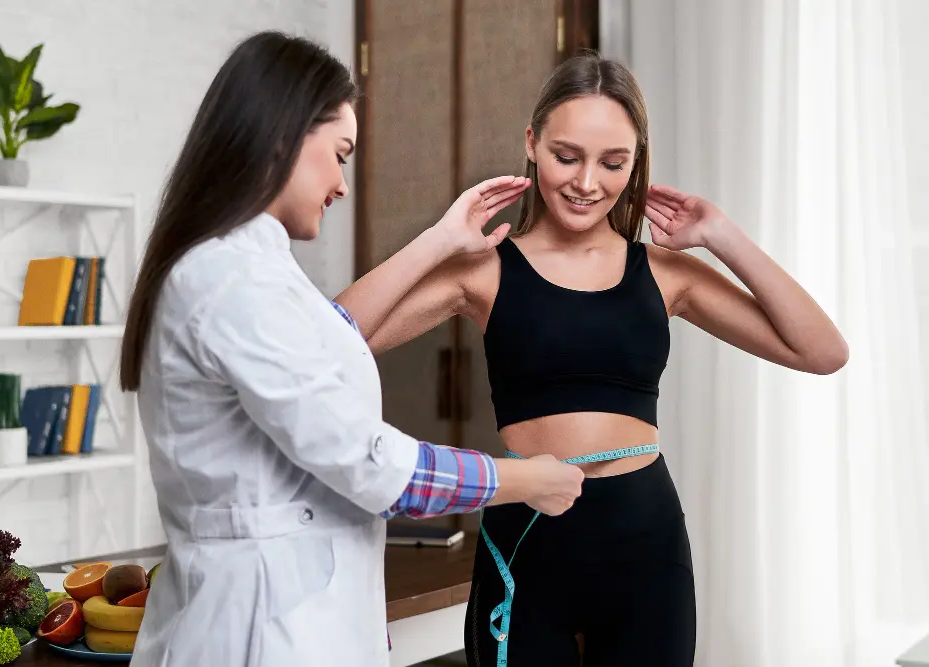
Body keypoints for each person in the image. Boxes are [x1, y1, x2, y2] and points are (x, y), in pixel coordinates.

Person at [335, 50, 849, 666]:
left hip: (645, 542)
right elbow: (325, 340)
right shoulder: (484, 272)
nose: (586, 183)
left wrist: (720, 235)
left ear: (636, 164)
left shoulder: (666, 274)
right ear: (532, 142)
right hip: (527, 535)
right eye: (566, 156)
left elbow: (822, 351)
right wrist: (439, 240)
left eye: (613, 163)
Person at [117, 32, 585, 667]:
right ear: (281, 134)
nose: (341, 183)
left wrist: (441, 240)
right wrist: (526, 478)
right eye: (339, 154)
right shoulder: (230, 279)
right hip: (259, 630)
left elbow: (329, 336)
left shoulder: (250, 270)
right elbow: (377, 470)